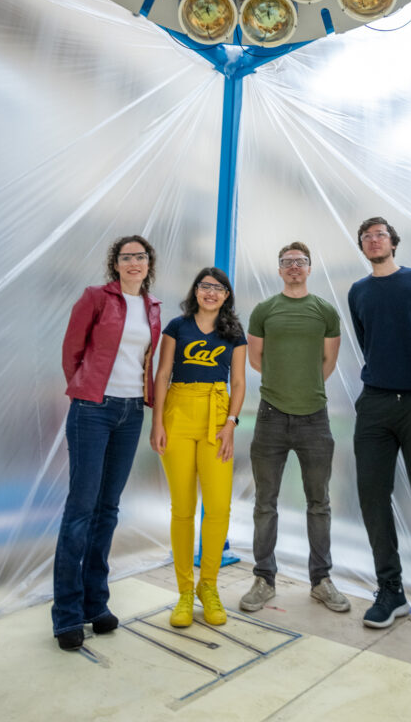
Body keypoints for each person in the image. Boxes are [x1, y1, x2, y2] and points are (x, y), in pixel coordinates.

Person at [53, 235, 161, 651]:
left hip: (132, 412)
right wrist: (86, 392)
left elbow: (146, 361)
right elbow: (72, 351)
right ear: (115, 264)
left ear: (149, 263)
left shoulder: (152, 307)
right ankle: (66, 615)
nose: (134, 262)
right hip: (93, 410)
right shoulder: (96, 297)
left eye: (140, 256)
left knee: (108, 509)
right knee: (80, 510)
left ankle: (95, 605)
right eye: (126, 257)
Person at [348, 217, 411, 635]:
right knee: (373, 498)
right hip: (375, 403)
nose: (374, 240)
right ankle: (390, 592)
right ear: (362, 247)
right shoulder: (358, 291)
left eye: (380, 234)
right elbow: (365, 339)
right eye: (366, 236)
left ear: (393, 242)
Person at [239, 242, 350, 614]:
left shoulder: (325, 311)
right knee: (264, 503)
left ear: (309, 267)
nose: (294, 268)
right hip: (270, 417)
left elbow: (327, 361)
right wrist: (285, 386)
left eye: (300, 262)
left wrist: (304, 390)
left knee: (319, 502)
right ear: (279, 269)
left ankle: (321, 580)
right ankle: (263, 579)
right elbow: (256, 360)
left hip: (315, 419)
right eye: (287, 262)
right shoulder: (264, 311)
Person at [150, 267, 246, 627]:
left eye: (218, 288)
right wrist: (157, 421)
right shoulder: (177, 326)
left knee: (219, 506)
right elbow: (163, 374)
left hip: (217, 414)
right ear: (195, 291)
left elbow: (238, 382)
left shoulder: (233, 332)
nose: (211, 293)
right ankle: (185, 592)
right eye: (205, 286)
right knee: (183, 508)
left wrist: (231, 424)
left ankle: (209, 585)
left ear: (226, 296)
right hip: (179, 412)